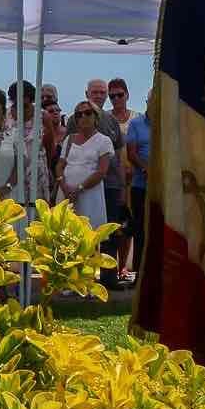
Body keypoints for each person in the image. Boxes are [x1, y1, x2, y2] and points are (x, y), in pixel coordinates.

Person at [88, 78, 132, 287]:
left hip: (112, 185)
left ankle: (109, 277)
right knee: (86, 234)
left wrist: (123, 187)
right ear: (87, 93)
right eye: (95, 92)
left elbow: (121, 155)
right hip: (87, 186)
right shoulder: (75, 117)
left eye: (102, 92)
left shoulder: (112, 121)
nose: (99, 95)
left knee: (112, 233)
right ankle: (85, 279)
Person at [56, 100, 115, 226]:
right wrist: (63, 185)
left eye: (88, 113)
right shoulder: (69, 138)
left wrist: (79, 189)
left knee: (88, 234)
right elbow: (60, 165)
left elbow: (101, 172)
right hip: (65, 193)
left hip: (89, 195)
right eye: (79, 115)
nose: (83, 117)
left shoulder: (104, 141)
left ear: (96, 116)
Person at [9, 80, 57, 206]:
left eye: (26, 104)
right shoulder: (5, 116)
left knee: (36, 209)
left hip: (37, 170)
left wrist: (45, 166)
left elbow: (50, 146)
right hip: (12, 170)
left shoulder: (42, 116)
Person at [125, 94, 152, 264]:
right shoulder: (136, 123)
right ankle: (137, 272)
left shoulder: (168, 123)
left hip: (164, 188)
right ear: (148, 102)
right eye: (152, 100)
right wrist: (145, 169)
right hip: (140, 185)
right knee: (140, 230)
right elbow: (131, 153)